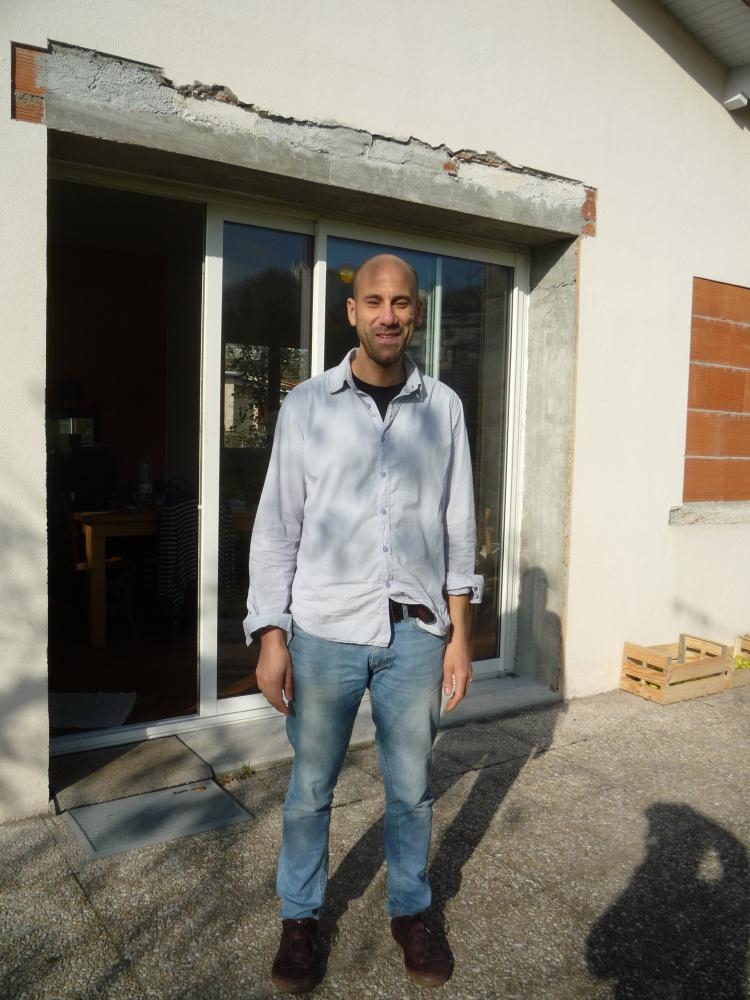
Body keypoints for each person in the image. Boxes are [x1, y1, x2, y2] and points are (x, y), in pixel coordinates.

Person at [244, 253, 483, 993]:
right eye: (374, 301)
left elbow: (459, 527)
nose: (388, 315)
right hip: (323, 633)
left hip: (415, 634)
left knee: (410, 789)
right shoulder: (307, 406)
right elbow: (277, 528)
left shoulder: (443, 409)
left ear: (417, 313)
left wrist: (459, 638)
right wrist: (272, 635)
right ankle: (300, 918)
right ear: (352, 312)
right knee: (310, 789)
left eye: (401, 303)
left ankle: (411, 910)